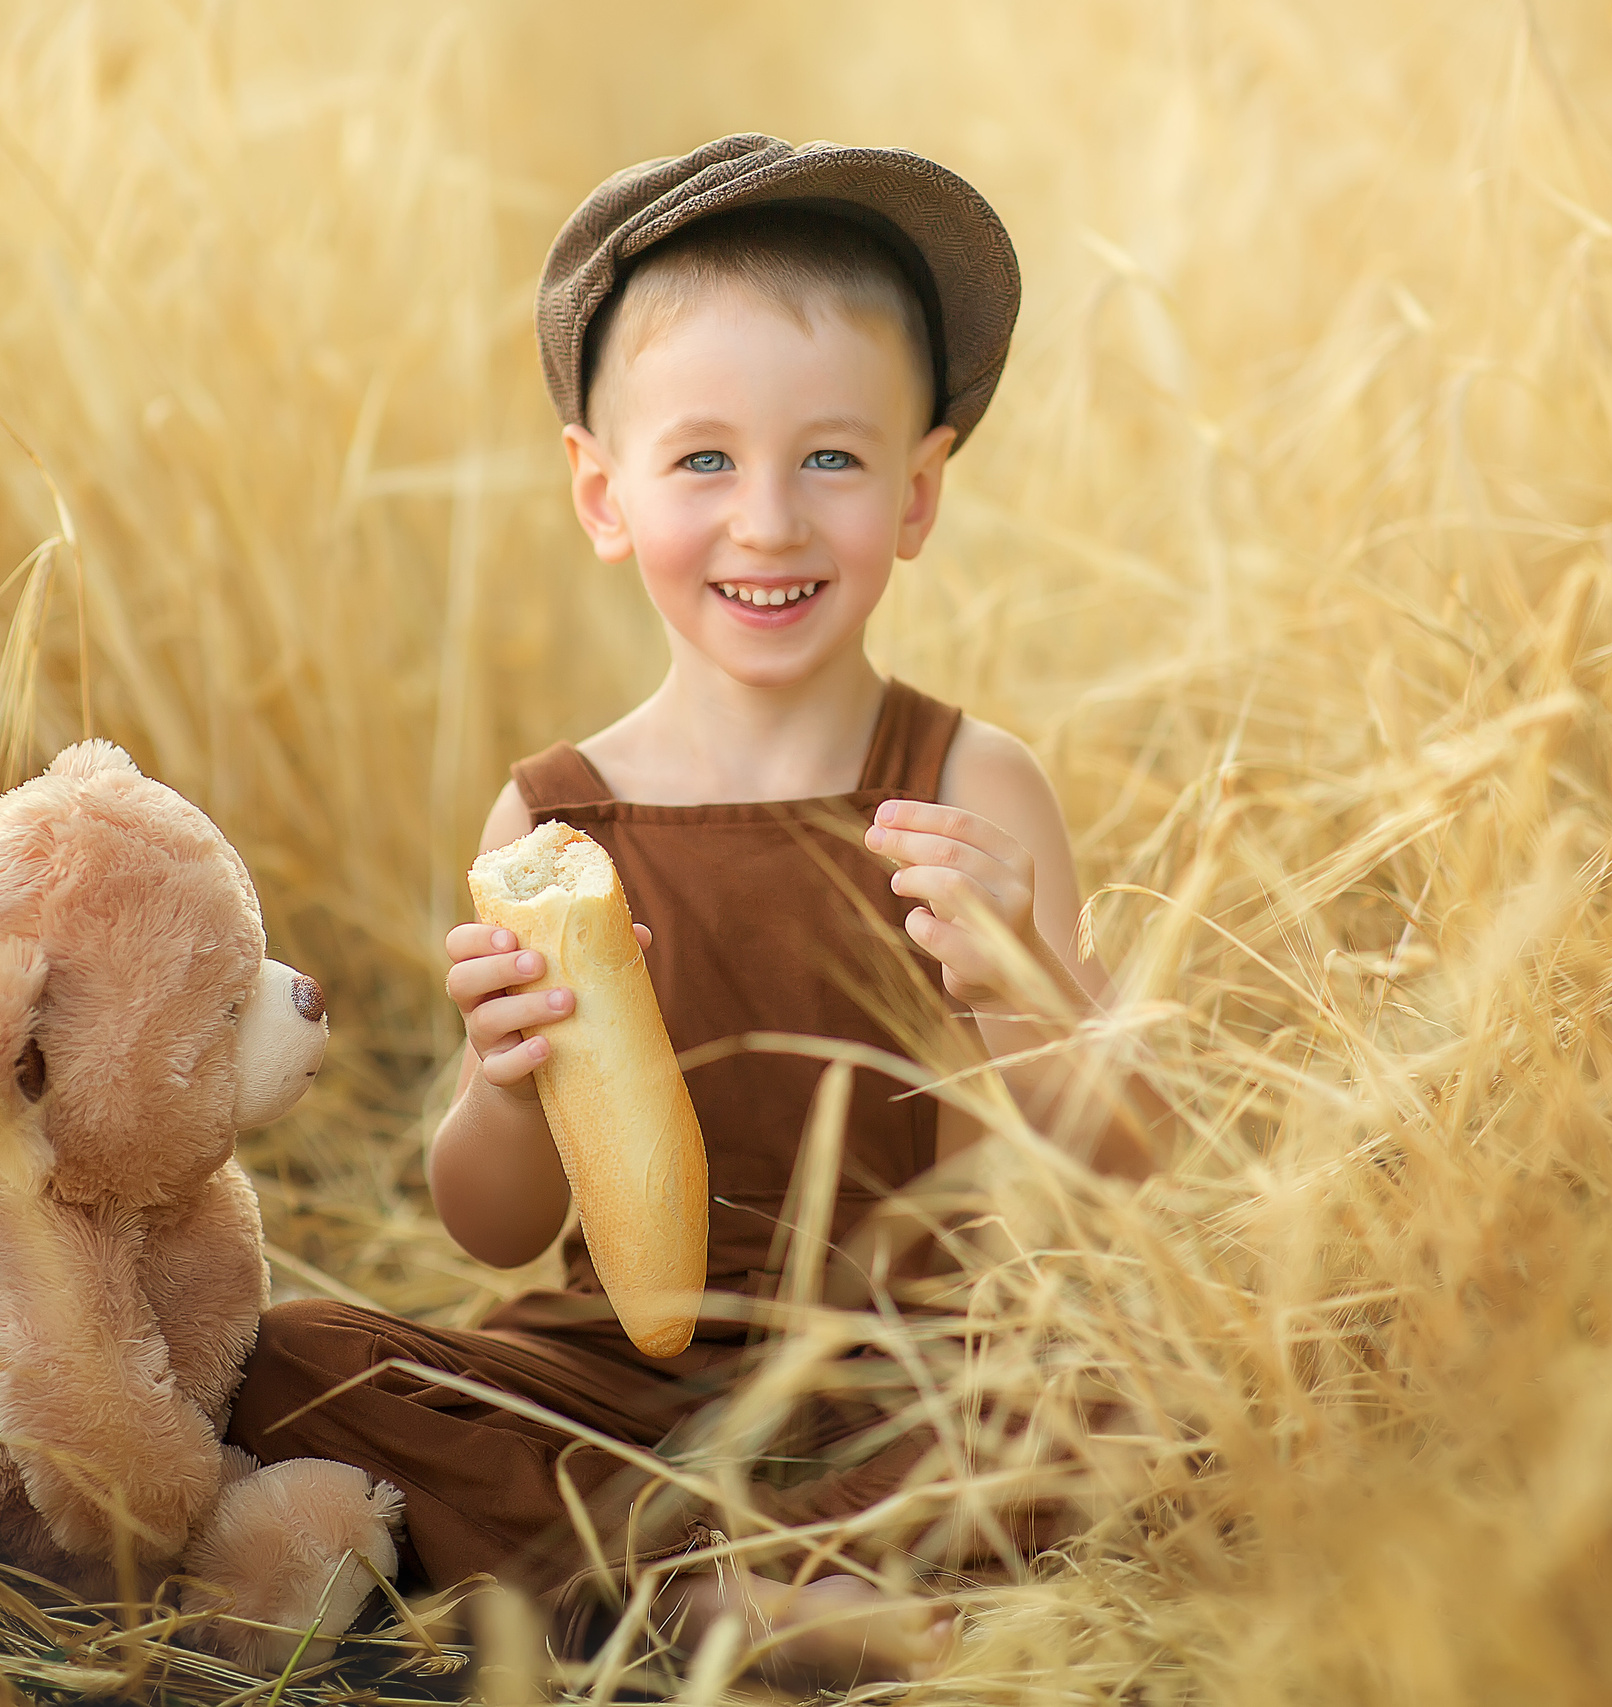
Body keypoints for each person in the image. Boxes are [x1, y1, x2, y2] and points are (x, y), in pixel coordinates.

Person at [225, 133, 1164, 1684]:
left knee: (1100, 1397)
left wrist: (1023, 982)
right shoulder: (556, 819)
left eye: (835, 460)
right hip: (612, 1373)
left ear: (921, 491)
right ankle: (730, 1601)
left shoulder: (971, 788)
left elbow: (1120, 1161)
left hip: (905, 1375)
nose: (771, 521)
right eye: (705, 459)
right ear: (604, 493)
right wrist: (511, 1081)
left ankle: (659, 1599)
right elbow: (497, 1227)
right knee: (292, 1357)